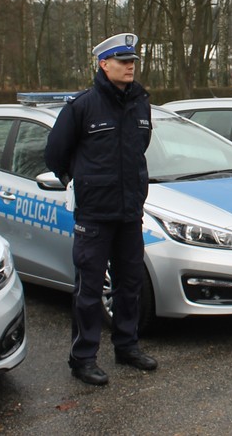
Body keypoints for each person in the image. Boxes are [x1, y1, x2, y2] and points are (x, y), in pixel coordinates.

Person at [45, 33, 156, 386]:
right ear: (103, 64)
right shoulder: (82, 106)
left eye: (133, 62)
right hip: (94, 215)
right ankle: (83, 359)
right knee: (89, 290)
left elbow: (141, 147)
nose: (130, 67)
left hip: (129, 212)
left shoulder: (141, 104)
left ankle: (127, 346)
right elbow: (55, 153)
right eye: (123, 62)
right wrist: (77, 181)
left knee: (130, 284)